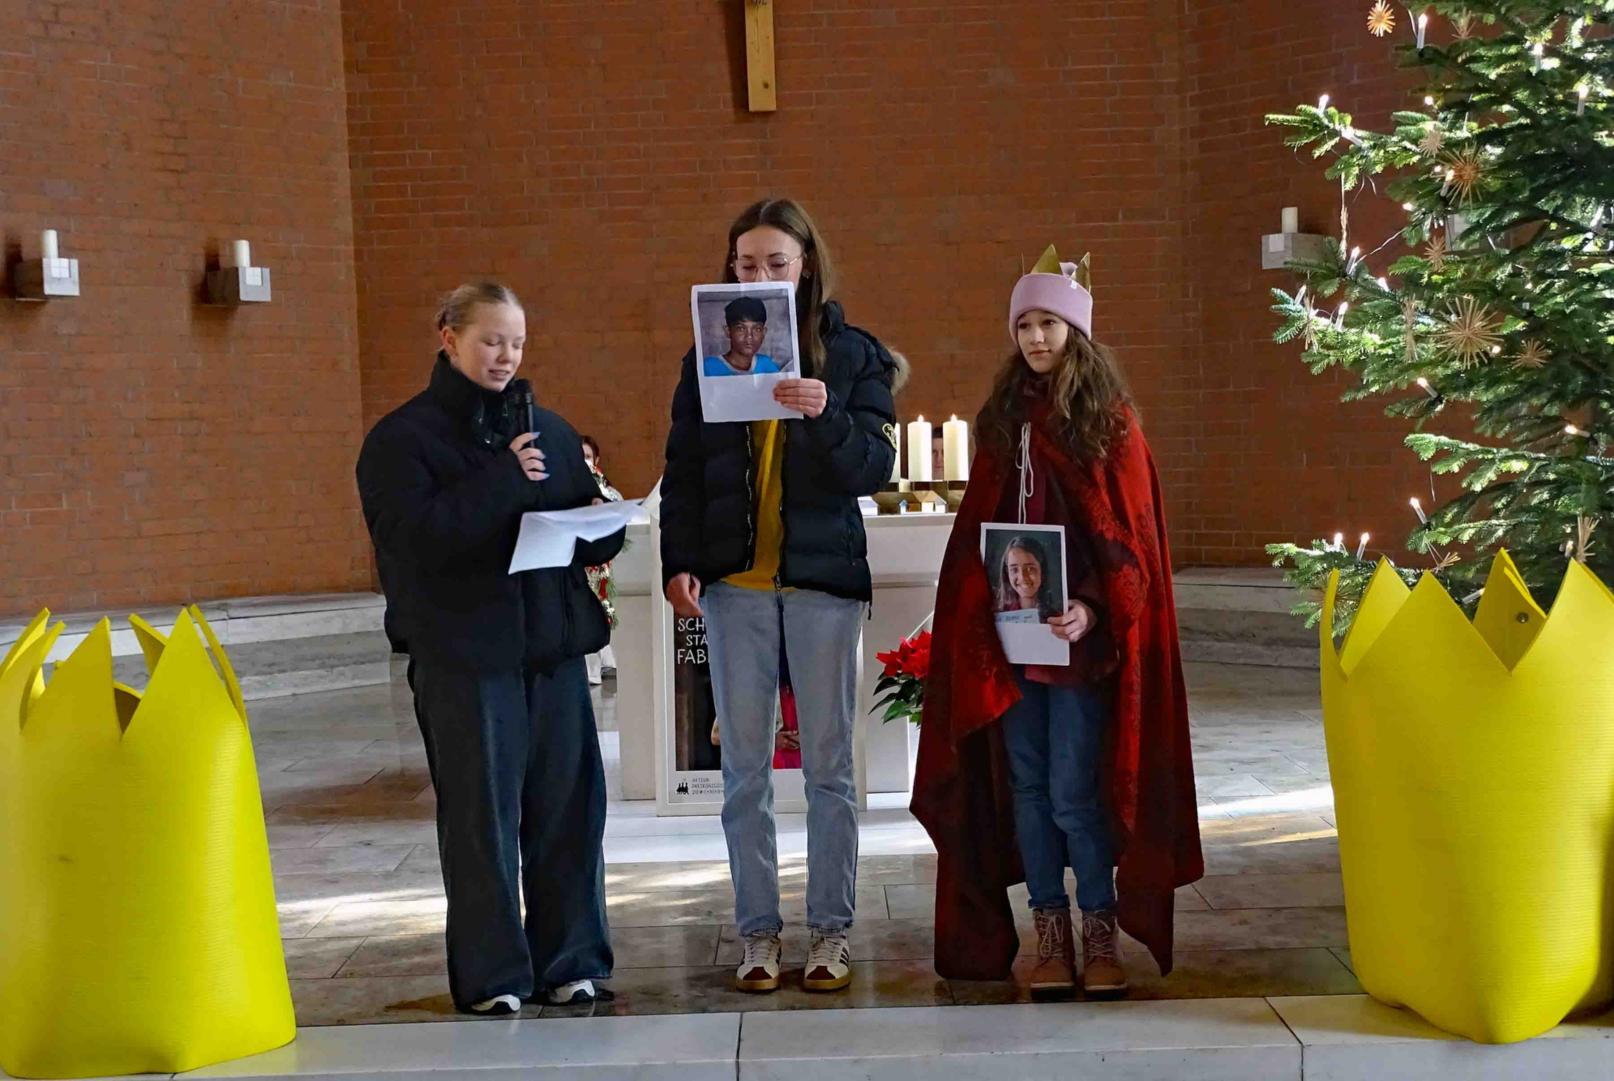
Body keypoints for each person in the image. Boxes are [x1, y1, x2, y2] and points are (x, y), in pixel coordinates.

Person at [911, 246, 1202, 1000]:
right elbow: (981, 524)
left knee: (1075, 789)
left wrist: (1094, 606)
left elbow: (1131, 538)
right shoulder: (1005, 419)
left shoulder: (1109, 422)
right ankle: (1049, 934)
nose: (1036, 338)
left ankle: (1098, 929)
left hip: (1078, 649)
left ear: (1077, 329)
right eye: (1025, 324)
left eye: (1049, 323)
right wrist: (985, 604)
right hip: (1012, 642)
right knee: (1028, 787)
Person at [355, 281, 623, 1015]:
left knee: (571, 815)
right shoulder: (401, 441)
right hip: (465, 659)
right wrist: (504, 479)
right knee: (482, 821)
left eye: (516, 342)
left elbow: (589, 520)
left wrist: (609, 522)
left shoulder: (553, 430)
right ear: (448, 336)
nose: (506, 355)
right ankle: (494, 974)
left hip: (554, 652)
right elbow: (412, 539)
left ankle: (572, 959)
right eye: (490, 339)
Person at [661, 198, 898, 995]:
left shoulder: (853, 354)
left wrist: (825, 413)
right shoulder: (707, 354)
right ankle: (758, 932)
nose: (759, 275)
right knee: (746, 772)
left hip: (823, 583)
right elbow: (685, 469)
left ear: (806, 266)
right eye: (745, 263)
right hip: (735, 584)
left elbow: (873, 467)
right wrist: (679, 559)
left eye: (775, 262)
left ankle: (830, 930)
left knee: (830, 765)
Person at [580, 435, 622, 685]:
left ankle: (607, 662)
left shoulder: (609, 491)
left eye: (588, 457)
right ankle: (591, 671)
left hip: (605, 567)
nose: (584, 462)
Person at [703, 297, 784, 376]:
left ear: (763, 332)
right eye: (741, 329)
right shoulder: (708, 367)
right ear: (728, 331)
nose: (749, 336)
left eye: (757, 329)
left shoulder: (766, 365)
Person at [995, 536, 1061, 621]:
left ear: (1042, 571)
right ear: (1007, 573)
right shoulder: (998, 617)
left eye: (1030, 569)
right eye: (1014, 569)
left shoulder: (1057, 618)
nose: (1022, 577)